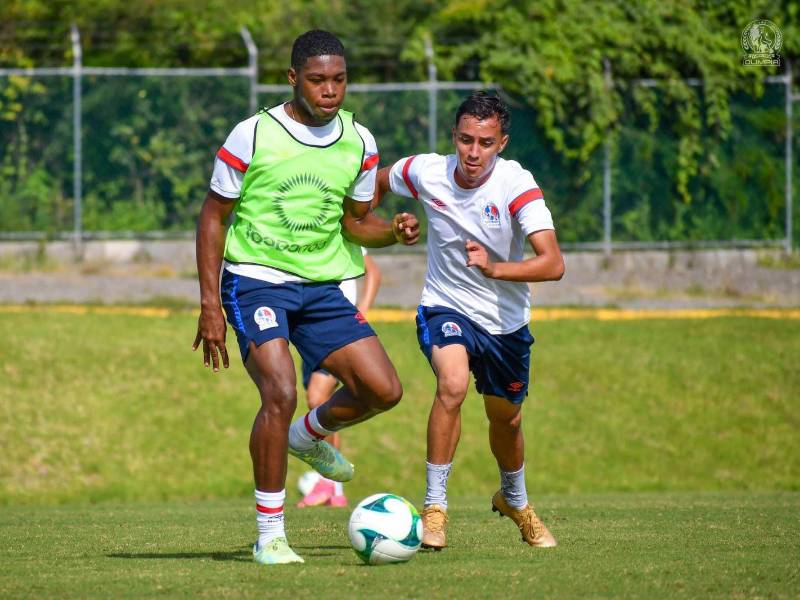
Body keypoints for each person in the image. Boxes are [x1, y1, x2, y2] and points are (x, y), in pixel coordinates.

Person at [193, 29, 419, 566]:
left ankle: (307, 436)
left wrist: (393, 232)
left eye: (339, 80)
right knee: (279, 389)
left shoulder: (359, 141)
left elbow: (355, 223)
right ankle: (270, 533)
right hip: (254, 279)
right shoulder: (254, 134)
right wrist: (208, 306)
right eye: (317, 80)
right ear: (293, 79)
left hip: (321, 285)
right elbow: (212, 217)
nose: (330, 90)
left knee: (383, 390)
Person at [372, 91, 564, 551]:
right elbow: (376, 181)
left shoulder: (517, 186)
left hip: (505, 323)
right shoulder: (426, 171)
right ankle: (434, 509)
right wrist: (381, 226)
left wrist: (495, 268)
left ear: (501, 144)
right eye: (464, 139)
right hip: (445, 306)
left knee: (508, 422)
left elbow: (552, 263)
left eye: (484, 142)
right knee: (452, 385)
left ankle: (514, 499)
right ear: (454, 136)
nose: (472, 152)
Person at [297, 247, 381, 508]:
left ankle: (328, 483)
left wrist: (362, 310)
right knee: (323, 409)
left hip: (338, 331)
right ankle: (335, 488)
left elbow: (373, 273)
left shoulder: (344, 234)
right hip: (310, 331)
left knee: (316, 399)